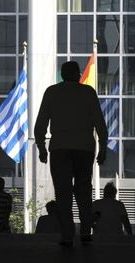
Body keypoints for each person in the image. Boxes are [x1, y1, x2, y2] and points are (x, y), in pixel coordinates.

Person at [34, 61, 108, 246]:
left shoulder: (52, 92)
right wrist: (103, 147)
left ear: (62, 74)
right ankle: (85, 231)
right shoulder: (88, 93)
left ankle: (67, 235)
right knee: (83, 190)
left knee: (63, 193)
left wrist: (42, 147)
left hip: (59, 148)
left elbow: (40, 124)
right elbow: (100, 123)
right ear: (77, 74)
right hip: (84, 149)